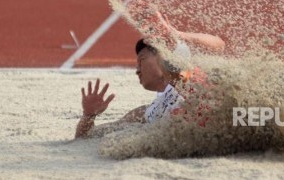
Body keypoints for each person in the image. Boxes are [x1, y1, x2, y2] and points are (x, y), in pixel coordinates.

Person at [75, 28, 224, 138]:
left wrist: (180, 36)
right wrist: (88, 116)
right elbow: (87, 136)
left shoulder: (189, 73)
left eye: (141, 60)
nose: (137, 70)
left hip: (229, 116)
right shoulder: (149, 111)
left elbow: (218, 46)